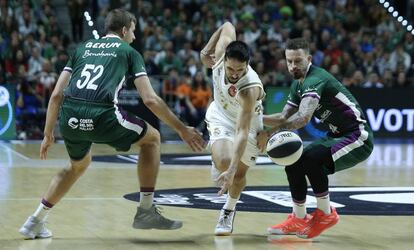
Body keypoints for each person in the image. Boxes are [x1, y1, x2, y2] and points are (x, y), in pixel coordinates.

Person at [19, 9, 205, 239]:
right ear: (125, 30)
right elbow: (149, 99)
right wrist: (182, 129)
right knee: (153, 138)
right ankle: (146, 210)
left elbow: (56, 95)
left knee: (77, 166)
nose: (135, 37)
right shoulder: (129, 51)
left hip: (69, 118)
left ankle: (34, 221)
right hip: (103, 116)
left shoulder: (81, 49)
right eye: (134, 31)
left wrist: (48, 134)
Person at [257, 38, 373, 239]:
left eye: (298, 61)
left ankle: (326, 214)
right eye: (289, 61)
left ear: (309, 59)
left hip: (357, 136)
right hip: (336, 135)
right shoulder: (297, 85)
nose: (293, 66)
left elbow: (303, 118)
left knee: (310, 159)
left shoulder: (315, 79)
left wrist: (268, 134)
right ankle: (299, 217)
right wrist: (254, 116)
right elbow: (283, 117)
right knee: (293, 163)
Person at [200, 22, 265, 236]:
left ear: (247, 65)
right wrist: (206, 50)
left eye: (240, 69)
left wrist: (232, 170)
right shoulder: (219, 54)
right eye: (230, 68)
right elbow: (227, 25)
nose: (234, 74)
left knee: (237, 175)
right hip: (220, 115)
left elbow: (242, 131)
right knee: (225, 162)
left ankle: (229, 209)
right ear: (224, 59)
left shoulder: (249, 88)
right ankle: (218, 159)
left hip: (247, 124)